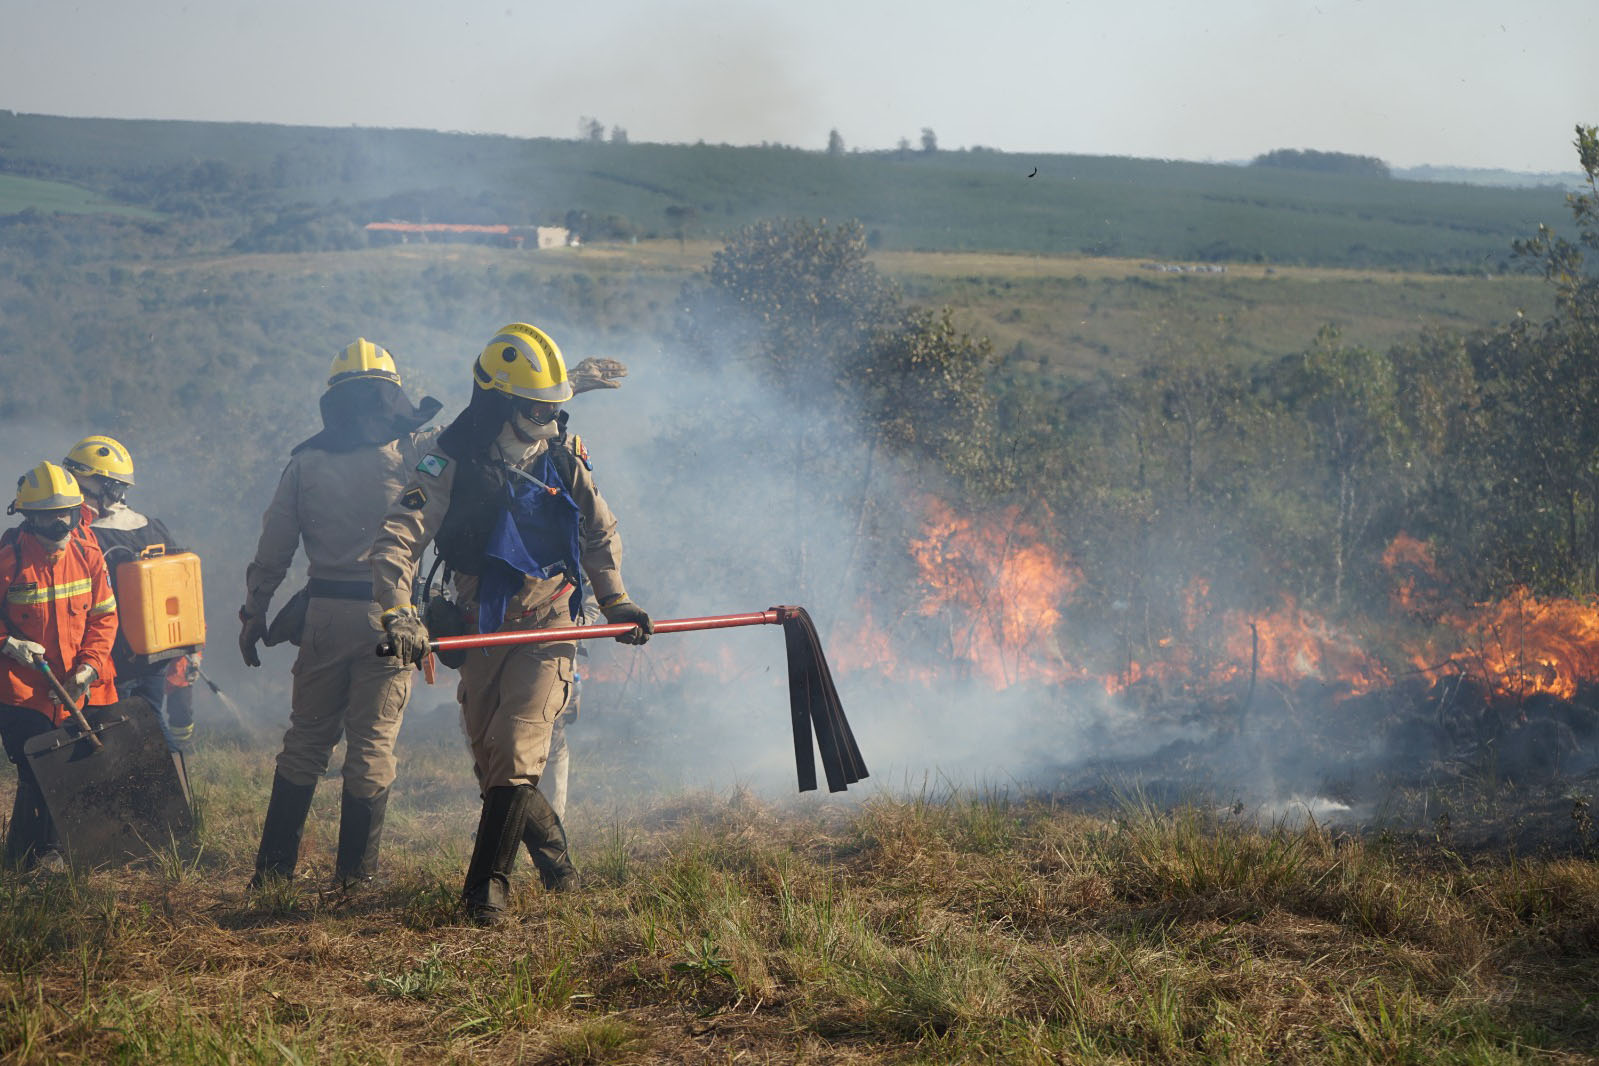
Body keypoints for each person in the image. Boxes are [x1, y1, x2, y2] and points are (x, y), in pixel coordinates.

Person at [370, 322, 651, 924]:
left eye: (554, 409)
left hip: (549, 622)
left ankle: (483, 895)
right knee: (494, 761)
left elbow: (599, 532)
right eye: (534, 409)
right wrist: (399, 611)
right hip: (479, 623)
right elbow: (399, 539)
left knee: (520, 745)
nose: (548, 422)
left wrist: (618, 600)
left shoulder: (562, 453)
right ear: (498, 403)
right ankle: (559, 867)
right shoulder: (449, 457)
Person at [239, 339, 444, 889]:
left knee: (306, 742)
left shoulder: (304, 462)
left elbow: (273, 550)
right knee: (372, 747)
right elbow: (478, 437)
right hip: (390, 617)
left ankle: (273, 875)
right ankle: (354, 882)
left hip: (323, 617)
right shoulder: (413, 451)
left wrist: (253, 615)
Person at [0, 462, 120, 869]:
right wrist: (9, 642)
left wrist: (88, 669)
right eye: (48, 517)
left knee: (66, 767)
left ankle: (27, 857)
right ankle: (47, 859)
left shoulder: (88, 554)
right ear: (29, 518)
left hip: (77, 685)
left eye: (65, 515)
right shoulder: (9, 559)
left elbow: (105, 617)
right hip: (24, 691)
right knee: (39, 767)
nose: (59, 526)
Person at [62, 435, 200, 757]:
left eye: (81, 489)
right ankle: (173, 788)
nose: (74, 497)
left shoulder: (89, 537)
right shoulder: (154, 528)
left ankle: (154, 796)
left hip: (111, 661)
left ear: (109, 488)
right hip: (152, 657)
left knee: (114, 737)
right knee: (151, 723)